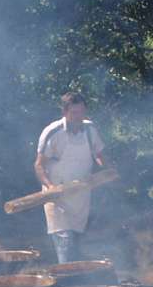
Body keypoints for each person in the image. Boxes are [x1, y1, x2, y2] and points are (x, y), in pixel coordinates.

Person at [34, 92, 107, 263]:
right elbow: (38, 165)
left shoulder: (90, 129)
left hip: (81, 196)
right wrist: (50, 188)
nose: (78, 117)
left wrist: (108, 171)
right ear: (65, 112)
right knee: (66, 245)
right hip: (57, 198)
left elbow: (99, 154)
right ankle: (66, 286)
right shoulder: (53, 132)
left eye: (81, 112)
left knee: (78, 246)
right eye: (74, 113)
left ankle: (77, 285)